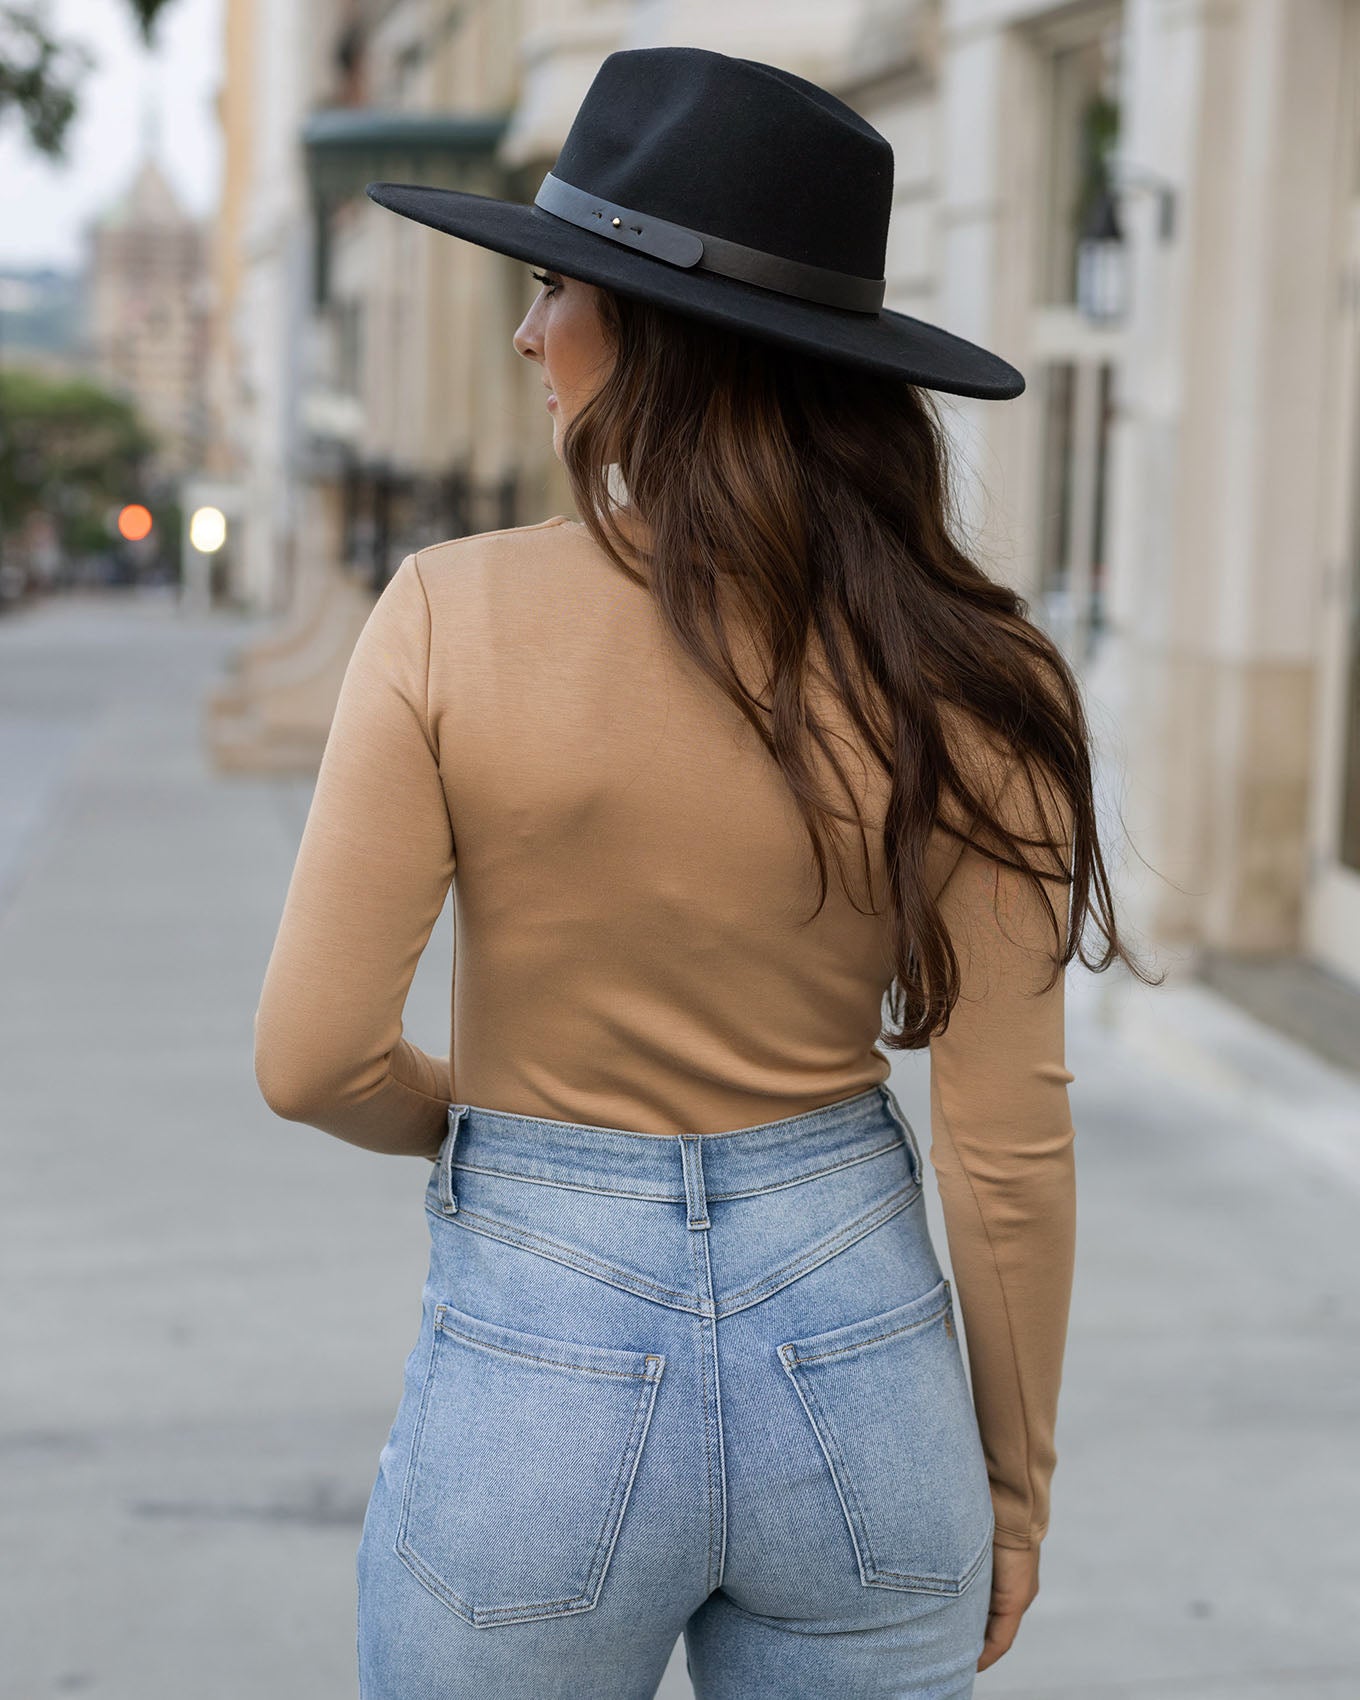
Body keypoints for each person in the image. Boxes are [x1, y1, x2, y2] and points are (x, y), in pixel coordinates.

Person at [253, 45, 1157, 1700]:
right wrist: (1010, 1492)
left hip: (539, 1365)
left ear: (652, 334)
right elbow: (1007, 1152)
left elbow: (313, 1061)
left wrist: (491, 1129)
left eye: (555, 291)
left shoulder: (451, 614)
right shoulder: (971, 667)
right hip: (864, 1380)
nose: (530, 333)